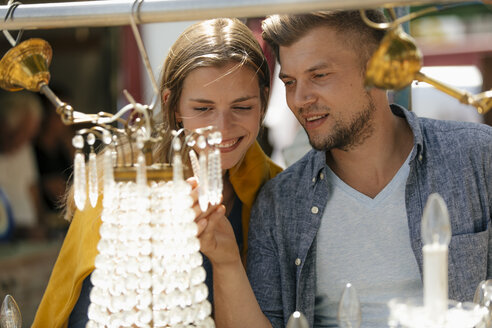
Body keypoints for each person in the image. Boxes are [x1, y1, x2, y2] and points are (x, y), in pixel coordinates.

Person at [198, 9, 492, 328]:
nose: (300, 99)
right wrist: (226, 261)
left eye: (319, 75)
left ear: (376, 69)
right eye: (290, 82)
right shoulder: (280, 203)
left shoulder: (476, 157)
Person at [32, 18, 282, 327]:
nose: (222, 127)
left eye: (242, 107)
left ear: (264, 102)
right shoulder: (122, 188)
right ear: (172, 104)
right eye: (203, 109)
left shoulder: (278, 190)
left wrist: (226, 259)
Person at [0, 90, 45, 239]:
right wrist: (17, 231)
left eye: (30, 135)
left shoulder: (25, 149)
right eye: (22, 132)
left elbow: (32, 188)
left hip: (29, 237)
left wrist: (40, 225)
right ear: (5, 125)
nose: (26, 140)